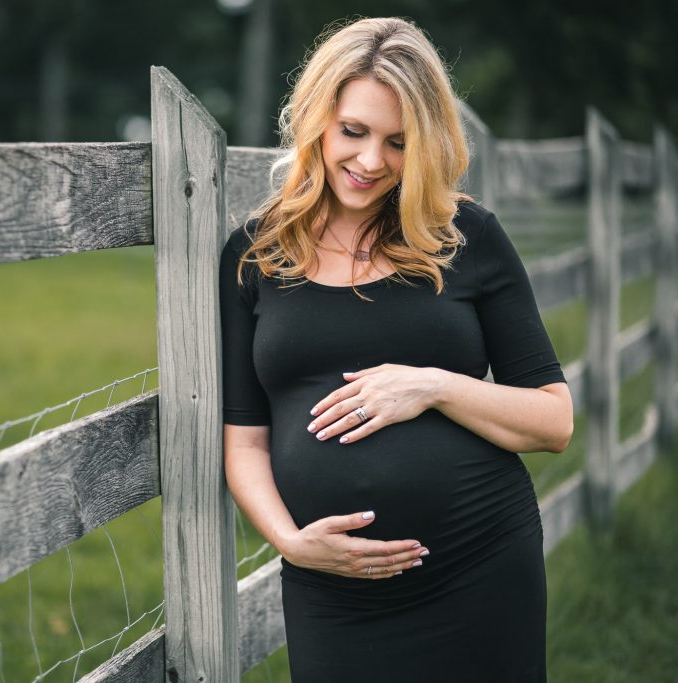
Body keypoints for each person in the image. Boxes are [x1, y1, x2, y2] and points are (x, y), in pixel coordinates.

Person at [218, 16, 574, 682]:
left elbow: (554, 421)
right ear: (317, 119)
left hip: (481, 562)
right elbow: (244, 442)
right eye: (352, 131)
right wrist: (292, 543)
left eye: (399, 142)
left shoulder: (466, 237)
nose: (372, 161)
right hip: (334, 590)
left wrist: (433, 384)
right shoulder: (253, 256)